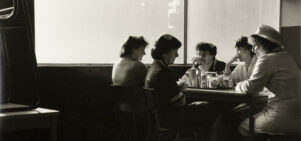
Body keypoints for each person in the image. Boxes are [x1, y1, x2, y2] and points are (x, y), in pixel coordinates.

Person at [236, 25, 301, 136]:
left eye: (255, 46)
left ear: (263, 44)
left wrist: (239, 85)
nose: (254, 50)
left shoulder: (266, 59)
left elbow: (250, 88)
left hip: (278, 118)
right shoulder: (287, 57)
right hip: (296, 120)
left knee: (243, 126)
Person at [145, 34, 218, 129]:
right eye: (175, 52)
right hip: (171, 119)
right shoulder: (163, 72)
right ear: (165, 52)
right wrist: (181, 89)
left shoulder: (153, 68)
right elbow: (180, 102)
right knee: (214, 108)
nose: (177, 55)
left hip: (158, 117)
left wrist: (177, 89)